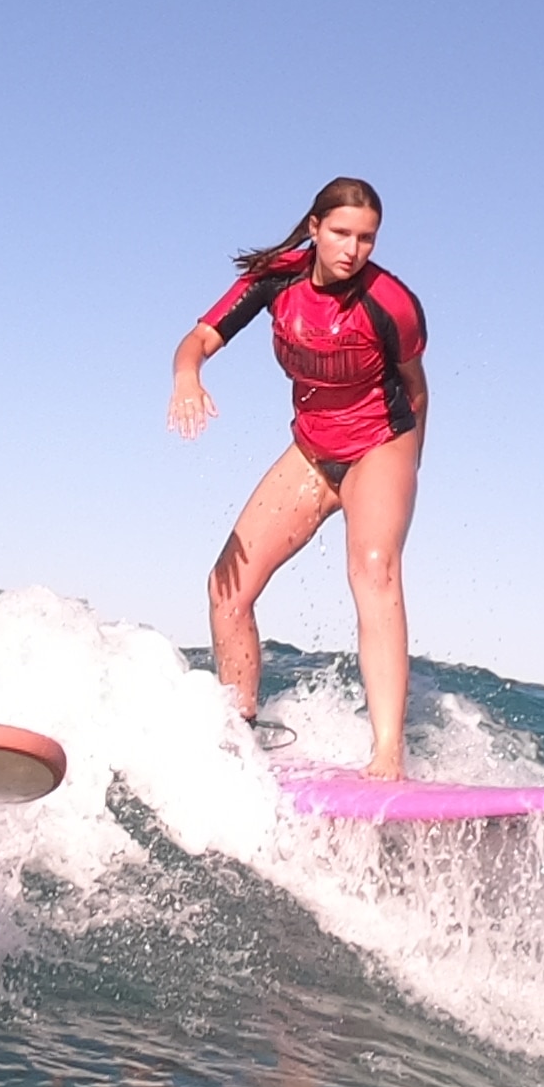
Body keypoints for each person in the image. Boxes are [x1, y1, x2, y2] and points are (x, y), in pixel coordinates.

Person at [170, 176, 427, 778]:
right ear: (314, 229)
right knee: (226, 588)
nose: (352, 249)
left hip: (379, 447)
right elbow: (200, 338)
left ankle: (388, 752)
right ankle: (241, 730)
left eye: (366, 238)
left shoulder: (390, 303)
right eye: (340, 233)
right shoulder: (278, 278)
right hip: (312, 451)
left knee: (373, 569)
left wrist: (406, 466)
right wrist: (188, 375)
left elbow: (415, 389)